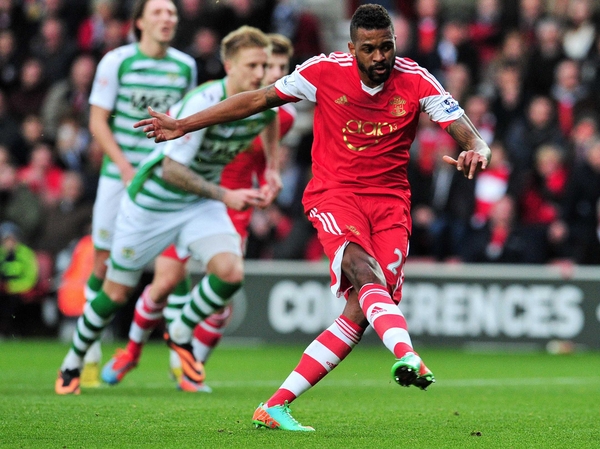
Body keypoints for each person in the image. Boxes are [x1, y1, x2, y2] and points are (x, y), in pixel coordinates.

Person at [135, 3, 491, 431]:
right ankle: (407, 355)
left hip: (392, 205)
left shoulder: (415, 78)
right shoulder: (322, 70)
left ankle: (276, 405)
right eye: (369, 49)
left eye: (387, 47)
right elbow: (258, 99)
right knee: (364, 271)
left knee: (360, 312)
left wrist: (478, 149)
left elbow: (466, 130)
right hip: (335, 194)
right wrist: (185, 124)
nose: (380, 57)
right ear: (351, 47)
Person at [55, 24, 279, 395]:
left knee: (231, 272)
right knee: (115, 294)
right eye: (252, 65)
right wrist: (226, 195)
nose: (261, 74)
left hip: (197, 205)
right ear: (228, 65)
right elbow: (172, 169)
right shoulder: (203, 102)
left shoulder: (260, 102)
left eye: (264, 65)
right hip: (152, 205)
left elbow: (270, 120)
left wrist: (271, 169)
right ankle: (73, 361)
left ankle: (179, 329)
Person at [78, 0, 197, 387]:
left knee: (174, 268)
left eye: (173, 14)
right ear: (140, 22)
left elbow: (185, 124)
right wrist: (127, 167)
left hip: (163, 179)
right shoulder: (116, 61)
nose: (168, 19)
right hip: (119, 175)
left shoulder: (185, 66)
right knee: (102, 264)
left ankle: (182, 367)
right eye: (159, 13)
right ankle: (89, 356)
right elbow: (97, 121)